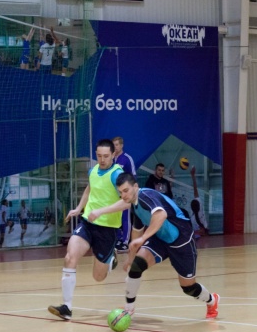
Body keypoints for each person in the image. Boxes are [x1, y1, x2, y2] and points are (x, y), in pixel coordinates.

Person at [89, 172, 220, 319]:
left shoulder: (146, 196)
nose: (123, 195)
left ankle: (212, 300)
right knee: (137, 266)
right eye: (120, 192)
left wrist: (144, 238)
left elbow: (161, 215)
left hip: (181, 240)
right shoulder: (135, 206)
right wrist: (130, 259)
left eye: (126, 191)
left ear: (135, 187)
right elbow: (136, 232)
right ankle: (129, 309)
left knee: (188, 287)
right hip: (160, 238)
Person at [47, 139, 124, 321]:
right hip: (88, 223)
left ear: (113, 155)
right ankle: (67, 307)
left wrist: (101, 212)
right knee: (69, 257)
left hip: (107, 229)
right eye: (99, 156)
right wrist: (79, 208)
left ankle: (110, 259)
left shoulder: (118, 175)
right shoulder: (93, 170)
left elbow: (126, 202)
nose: (102, 160)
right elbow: (89, 190)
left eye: (106, 156)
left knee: (98, 277)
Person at [112, 136, 137, 253]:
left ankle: (125, 241)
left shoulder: (127, 159)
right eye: (113, 145)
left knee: (125, 216)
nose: (115, 147)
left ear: (121, 145)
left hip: (125, 194)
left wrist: (131, 192)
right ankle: (118, 238)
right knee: (115, 216)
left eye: (117, 145)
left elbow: (133, 176)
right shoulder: (111, 159)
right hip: (114, 193)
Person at [189, 165, 209, 237]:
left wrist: (193, 233)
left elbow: (203, 232)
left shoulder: (194, 218)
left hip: (201, 237)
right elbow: (195, 190)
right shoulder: (199, 207)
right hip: (200, 235)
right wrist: (193, 176)